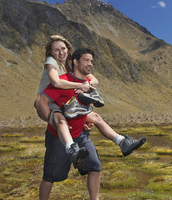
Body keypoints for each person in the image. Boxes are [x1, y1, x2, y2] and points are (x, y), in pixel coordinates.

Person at [34, 35, 145, 169]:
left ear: (68, 49)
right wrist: (80, 86)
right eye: (56, 50)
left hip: (62, 100)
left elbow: (94, 80)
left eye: (63, 49)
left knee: (96, 117)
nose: (61, 52)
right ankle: (72, 149)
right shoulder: (52, 62)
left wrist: (88, 85)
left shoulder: (69, 64)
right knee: (60, 121)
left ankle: (122, 142)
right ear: (51, 52)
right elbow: (56, 82)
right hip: (46, 101)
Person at [38, 48, 115, 200]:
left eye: (92, 61)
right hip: (58, 136)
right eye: (87, 60)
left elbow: (88, 106)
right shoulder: (62, 80)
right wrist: (51, 119)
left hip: (80, 134)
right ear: (75, 62)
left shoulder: (88, 84)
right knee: (50, 175)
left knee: (94, 166)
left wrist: (87, 121)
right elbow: (40, 101)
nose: (90, 64)